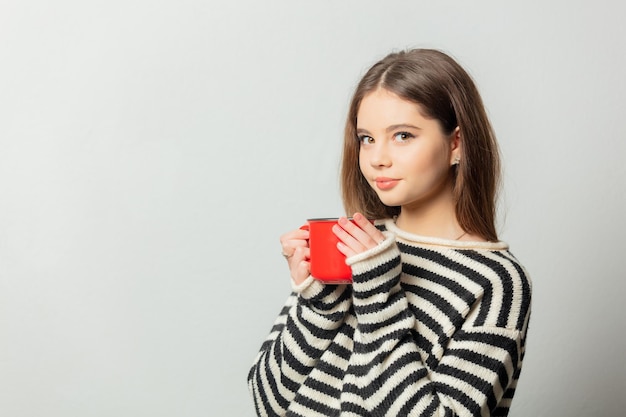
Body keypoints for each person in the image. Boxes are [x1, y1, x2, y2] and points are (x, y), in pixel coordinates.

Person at [247, 48, 532, 417]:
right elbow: (266, 402)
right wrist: (319, 302)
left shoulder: (497, 282)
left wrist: (379, 294)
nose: (378, 157)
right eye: (367, 138)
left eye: (402, 135)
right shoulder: (354, 241)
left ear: (456, 143)